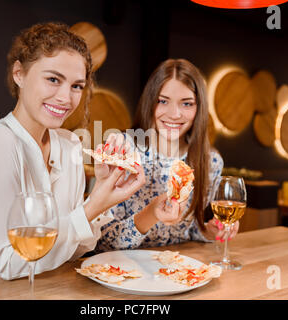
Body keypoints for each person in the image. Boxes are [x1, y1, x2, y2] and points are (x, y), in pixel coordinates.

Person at [0, 22, 145, 281]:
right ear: (19, 74)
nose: (65, 98)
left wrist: (103, 187)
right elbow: (9, 264)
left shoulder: (70, 144)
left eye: (76, 86)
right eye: (53, 79)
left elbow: (75, 250)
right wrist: (92, 206)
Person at [96, 59, 238, 252]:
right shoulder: (124, 150)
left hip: (175, 270)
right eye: (163, 101)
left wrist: (208, 232)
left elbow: (184, 232)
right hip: (121, 271)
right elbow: (101, 242)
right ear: (150, 102)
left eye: (186, 104)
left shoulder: (211, 161)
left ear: (199, 109)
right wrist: (151, 214)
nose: (174, 114)